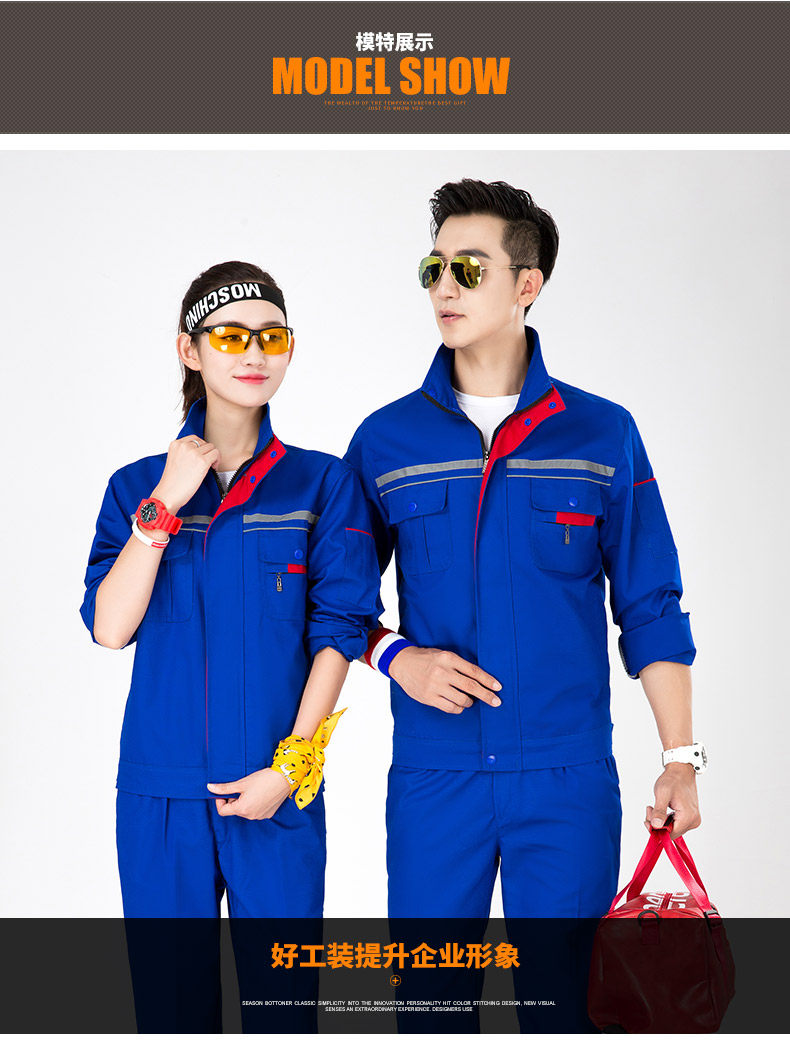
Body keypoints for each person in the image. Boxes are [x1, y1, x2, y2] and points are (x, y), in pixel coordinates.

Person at [344, 180, 704, 1031]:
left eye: (468, 268)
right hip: (436, 778)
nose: (444, 287)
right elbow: (337, 602)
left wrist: (680, 756)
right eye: (434, 267)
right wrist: (398, 658)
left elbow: (651, 602)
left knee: (568, 1013)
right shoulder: (385, 441)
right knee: (431, 1012)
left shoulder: (602, 434)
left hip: (567, 779)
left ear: (527, 284)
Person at [80, 260, 379, 1032]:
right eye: (232, 336)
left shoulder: (322, 485)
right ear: (191, 350)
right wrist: (166, 502)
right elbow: (110, 626)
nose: (254, 353)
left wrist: (292, 766)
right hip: (161, 797)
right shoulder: (135, 487)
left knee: (284, 1015)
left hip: (275, 791)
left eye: (272, 337)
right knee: (171, 1017)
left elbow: (338, 633)